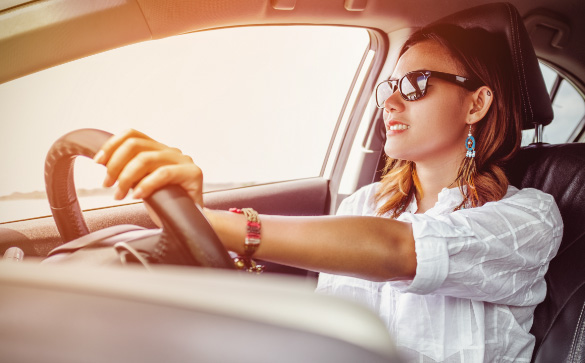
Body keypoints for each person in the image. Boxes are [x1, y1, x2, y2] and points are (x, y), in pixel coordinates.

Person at [93, 24, 563, 362]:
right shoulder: (363, 204)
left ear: (477, 103)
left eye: (416, 84)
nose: (392, 102)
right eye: (388, 89)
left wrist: (212, 222)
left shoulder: (529, 216)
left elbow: (399, 250)